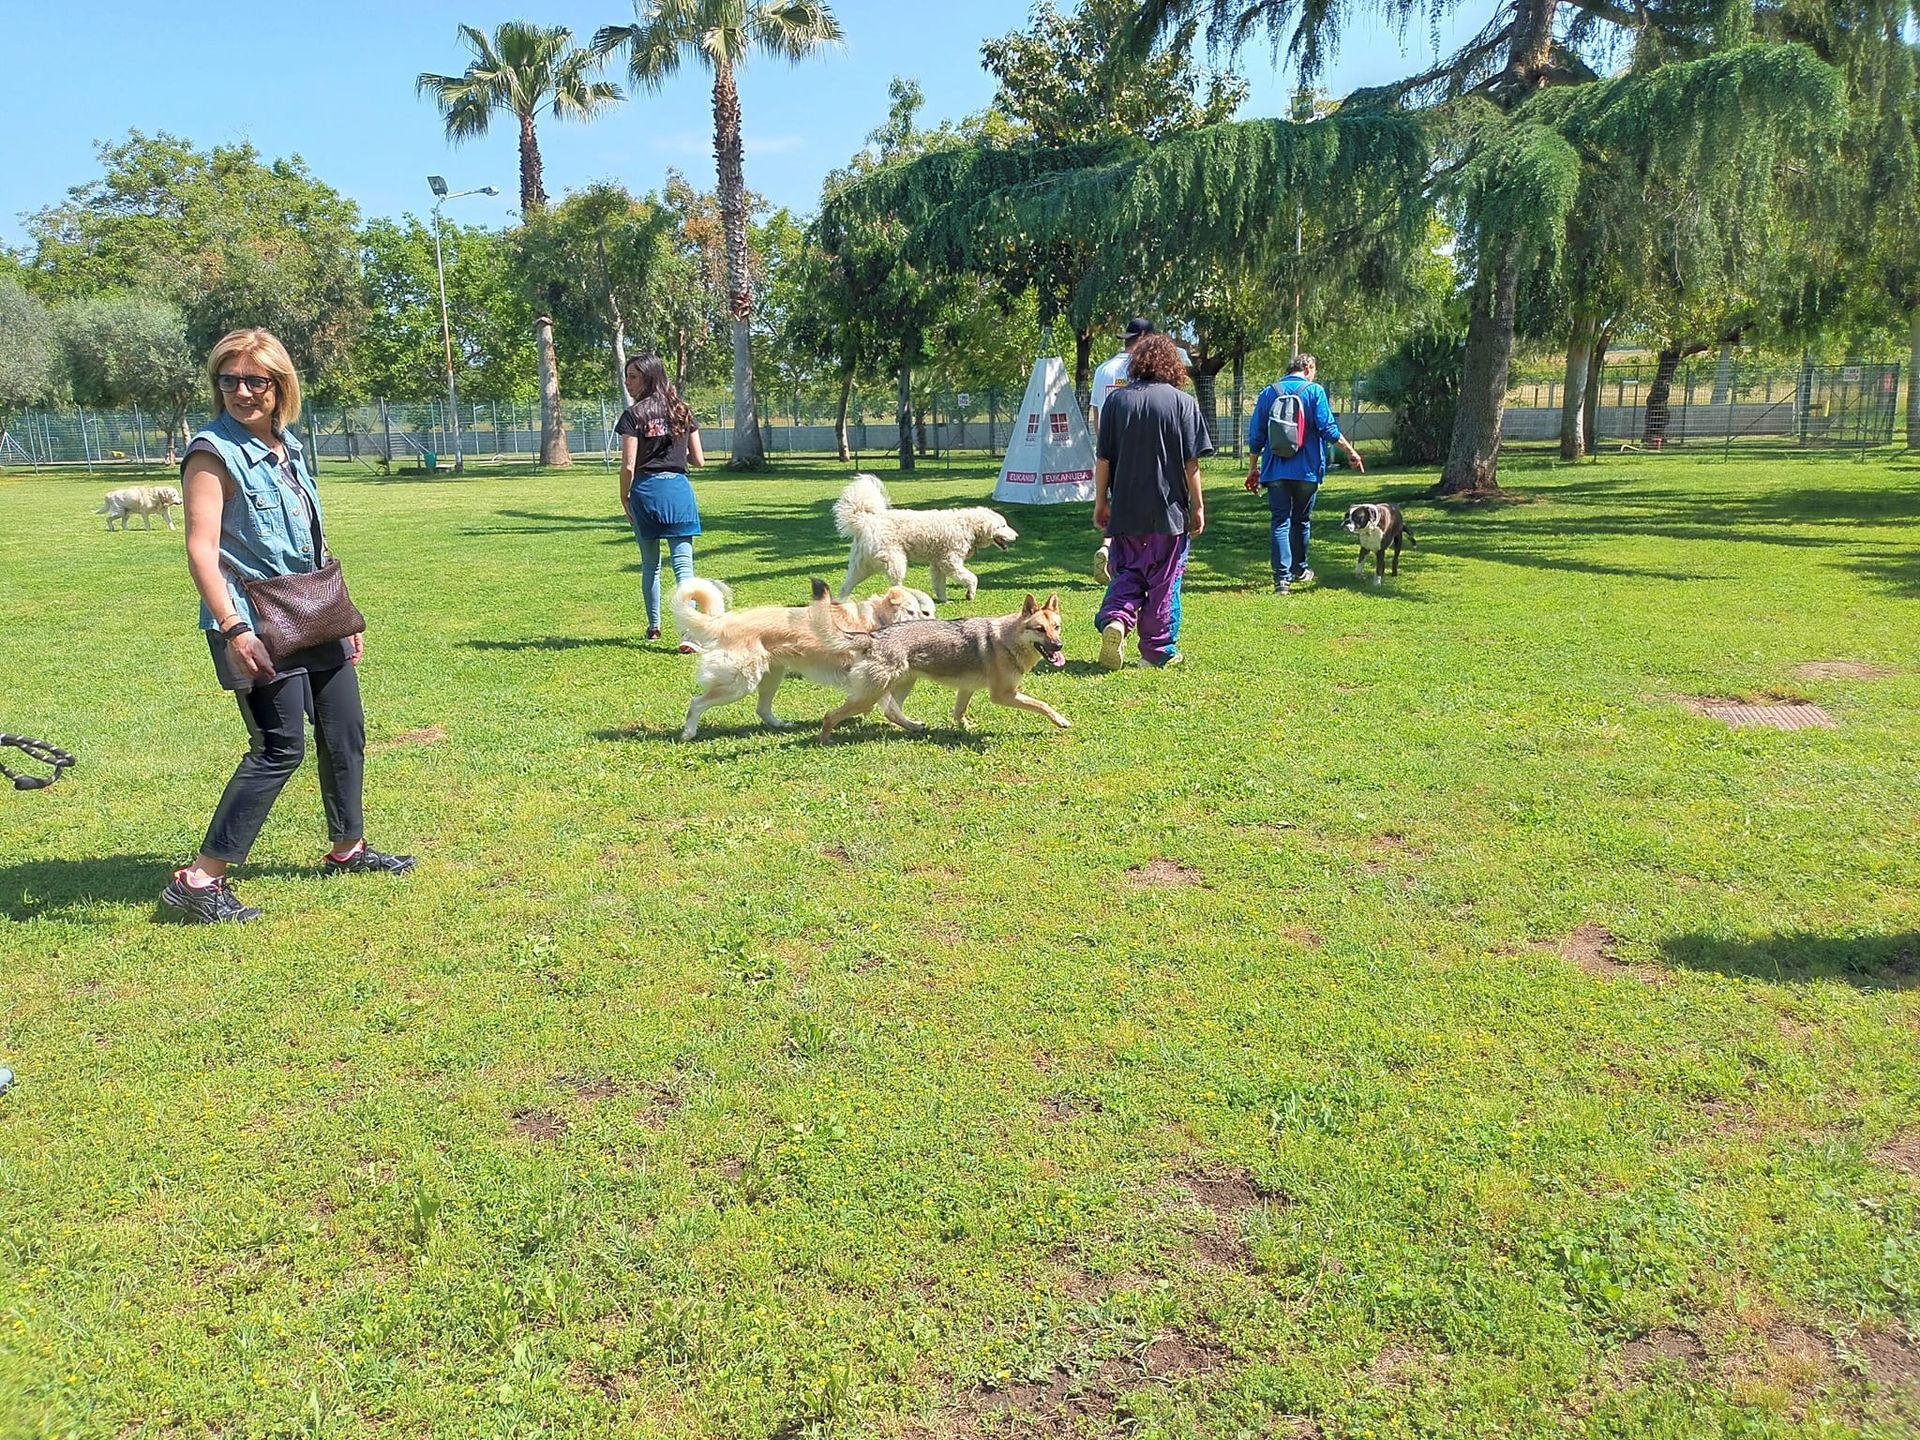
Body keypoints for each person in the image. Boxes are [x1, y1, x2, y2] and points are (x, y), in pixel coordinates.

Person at [164, 328, 414, 924]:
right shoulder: (211, 454)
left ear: (281, 387)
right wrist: (232, 628)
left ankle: (347, 848)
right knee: (279, 747)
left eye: (256, 380)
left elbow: (310, 538)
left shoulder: (289, 447)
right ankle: (200, 881)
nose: (242, 391)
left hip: (313, 610)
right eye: (230, 380)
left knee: (345, 730)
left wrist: (341, 614)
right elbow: (201, 550)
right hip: (251, 620)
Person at [1091, 333, 1212, 669]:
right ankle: (1157, 652)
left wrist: (1101, 502)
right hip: (1169, 512)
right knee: (1165, 580)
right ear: (1172, 366)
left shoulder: (1116, 402)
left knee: (1127, 572)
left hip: (1126, 510)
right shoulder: (1184, 403)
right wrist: (1198, 507)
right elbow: (1192, 464)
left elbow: (1104, 460)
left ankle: (1117, 618)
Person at [1245, 353, 1364, 594]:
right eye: (1315, 370)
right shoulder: (1314, 391)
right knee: (1301, 520)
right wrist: (1351, 451)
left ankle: (1281, 581)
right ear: (1308, 368)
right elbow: (1328, 428)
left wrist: (1253, 467)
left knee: (1280, 520)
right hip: (1307, 470)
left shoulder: (1269, 392)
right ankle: (1300, 569)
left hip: (1276, 469)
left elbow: (1257, 434)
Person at [1090, 319, 1192, 582]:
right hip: (1151, 449)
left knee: (1120, 507)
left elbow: (1096, 413)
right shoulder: (1145, 371)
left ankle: (1110, 547)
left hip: (1114, 450)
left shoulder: (1103, 370)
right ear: (1146, 337)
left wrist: (1105, 446)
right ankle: (1152, 571)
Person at [616, 355, 704, 651]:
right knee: (684, 566)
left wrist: (624, 497)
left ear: (648, 378)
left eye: (632, 377)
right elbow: (699, 460)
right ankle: (689, 634)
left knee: (650, 566)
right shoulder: (682, 411)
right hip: (678, 491)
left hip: (646, 492)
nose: (628, 383)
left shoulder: (633, 415)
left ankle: (654, 627)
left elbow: (629, 465)